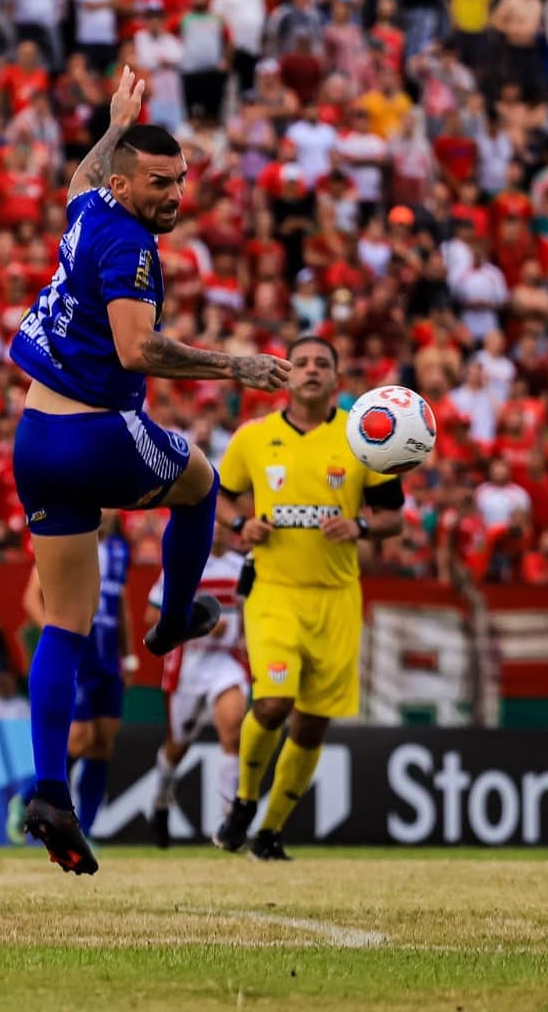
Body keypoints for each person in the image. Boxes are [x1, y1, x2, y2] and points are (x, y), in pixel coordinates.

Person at [7, 68, 289, 875]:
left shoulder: (94, 204)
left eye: (182, 181)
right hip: (96, 434)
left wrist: (111, 124)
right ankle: (170, 626)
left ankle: (51, 791)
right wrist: (236, 367)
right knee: (200, 482)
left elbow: (78, 177)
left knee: (64, 622)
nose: (175, 194)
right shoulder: (131, 244)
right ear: (130, 184)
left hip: (37, 440)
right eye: (160, 183)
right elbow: (139, 351)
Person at [212, 337, 405, 861]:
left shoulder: (364, 439)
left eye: (323, 364)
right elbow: (221, 497)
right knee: (273, 704)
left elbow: (393, 517)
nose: (311, 370)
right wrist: (239, 524)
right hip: (274, 590)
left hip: (337, 596)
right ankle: (245, 801)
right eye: (301, 363)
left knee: (313, 721)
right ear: (285, 375)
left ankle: (270, 832)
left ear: (338, 380)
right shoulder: (253, 438)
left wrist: (360, 524)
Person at [20, 511, 130, 839]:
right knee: (79, 739)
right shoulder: (67, 537)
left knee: (102, 743)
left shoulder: (120, 550)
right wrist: (58, 636)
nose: (108, 511)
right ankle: (28, 800)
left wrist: (130, 655)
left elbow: (120, 604)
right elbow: (30, 597)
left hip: (108, 658)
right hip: (77, 654)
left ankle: (89, 830)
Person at [148, 522, 248, 848]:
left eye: (222, 525)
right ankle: (161, 800)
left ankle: (231, 820)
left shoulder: (242, 567)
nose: (216, 530)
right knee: (178, 744)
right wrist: (197, 623)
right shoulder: (185, 565)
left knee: (232, 730)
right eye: (212, 524)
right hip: (188, 665)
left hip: (226, 663)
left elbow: (251, 610)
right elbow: (153, 617)